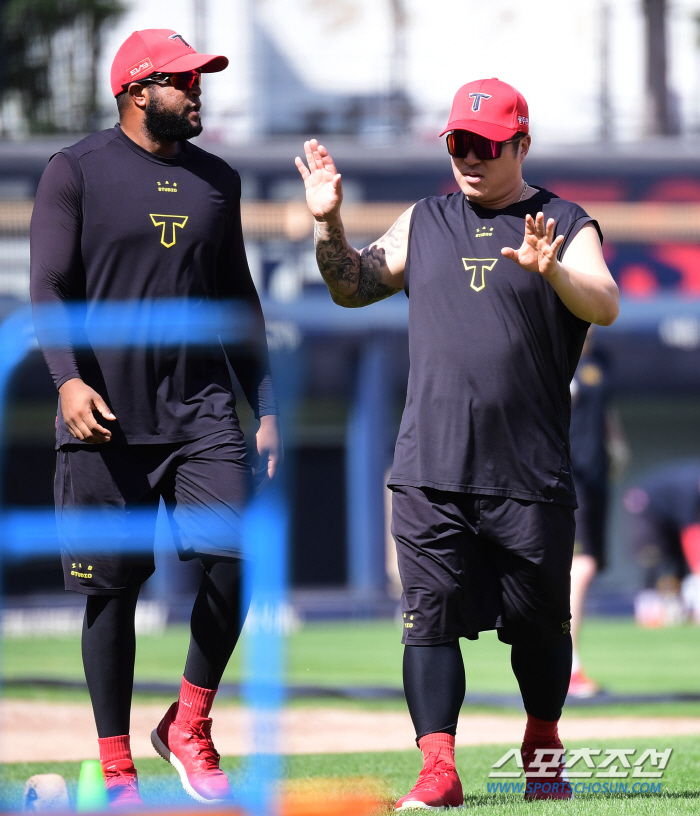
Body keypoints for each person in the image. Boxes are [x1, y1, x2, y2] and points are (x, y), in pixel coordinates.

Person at [296, 77, 619, 807]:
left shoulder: (565, 222)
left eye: (485, 145)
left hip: (528, 473)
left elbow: (607, 302)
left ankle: (542, 742)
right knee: (427, 621)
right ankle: (438, 770)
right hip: (429, 469)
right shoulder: (426, 220)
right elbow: (351, 285)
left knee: (539, 628)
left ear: (522, 145)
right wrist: (328, 223)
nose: (469, 157)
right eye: (457, 144)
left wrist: (555, 269)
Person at [30, 29, 281, 809]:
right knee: (113, 594)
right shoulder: (74, 171)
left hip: (201, 408)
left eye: (200, 79)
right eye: (183, 81)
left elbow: (238, 301)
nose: (198, 91)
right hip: (104, 414)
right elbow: (47, 287)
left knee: (238, 561)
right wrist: (68, 382)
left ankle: (189, 723)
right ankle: (115, 770)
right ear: (137, 91)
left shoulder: (218, 181)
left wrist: (264, 407)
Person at [568, 329, 628, 697]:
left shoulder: (600, 361)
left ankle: (566, 665)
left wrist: (616, 441)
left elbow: (604, 409)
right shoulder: (558, 354)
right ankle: (569, 667)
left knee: (587, 566)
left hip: (597, 479)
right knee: (581, 567)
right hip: (568, 477)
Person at [624, 459, 700, 624]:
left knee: (681, 561)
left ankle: (683, 607)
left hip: (669, 519)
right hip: (646, 510)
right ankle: (647, 608)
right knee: (651, 557)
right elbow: (691, 533)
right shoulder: (688, 489)